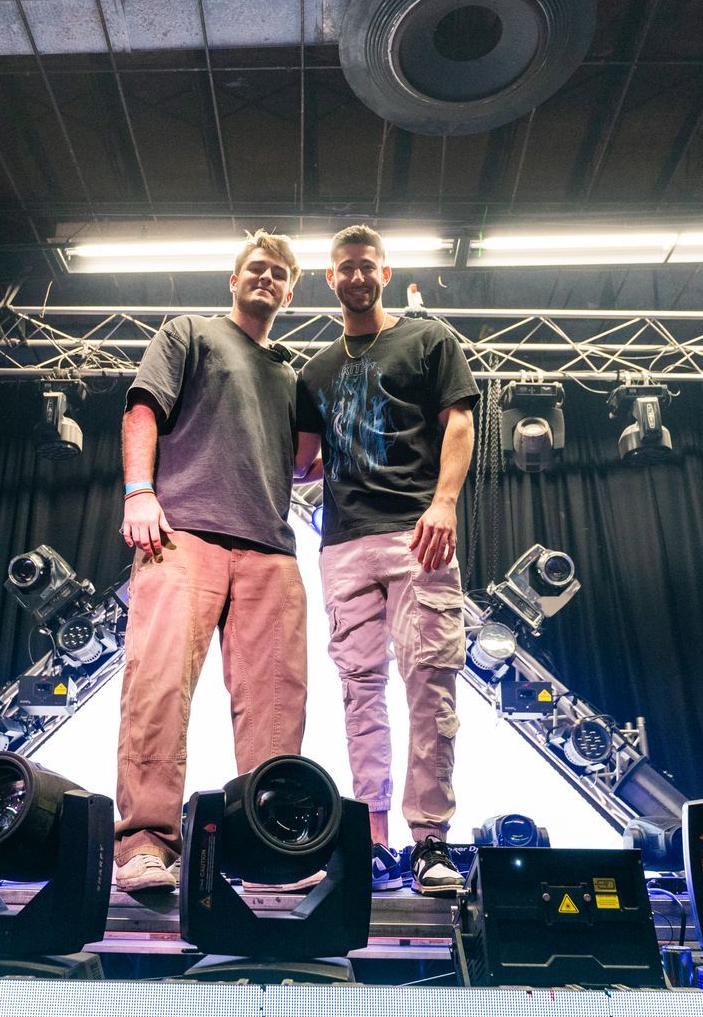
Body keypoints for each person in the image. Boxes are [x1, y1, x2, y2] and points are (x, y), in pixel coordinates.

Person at [112, 231, 310, 892]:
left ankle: (270, 851)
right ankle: (145, 845)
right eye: (257, 267)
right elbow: (143, 409)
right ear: (234, 279)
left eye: (278, 273)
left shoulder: (290, 373)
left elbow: (305, 461)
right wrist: (139, 492)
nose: (266, 277)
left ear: (290, 292)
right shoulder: (189, 332)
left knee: (277, 706)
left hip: (269, 547)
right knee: (158, 687)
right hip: (181, 533)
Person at [295, 225, 478, 895]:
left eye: (366, 265)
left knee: (431, 685)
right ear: (330, 277)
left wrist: (445, 503)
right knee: (360, 690)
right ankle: (372, 842)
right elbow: (301, 462)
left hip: (415, 534)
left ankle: (430, 842)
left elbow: (460, 424)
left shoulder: (428, 340)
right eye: (345, 266)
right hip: (343, 543)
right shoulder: (314, 370)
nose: (356, 275)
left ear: (385, 272)